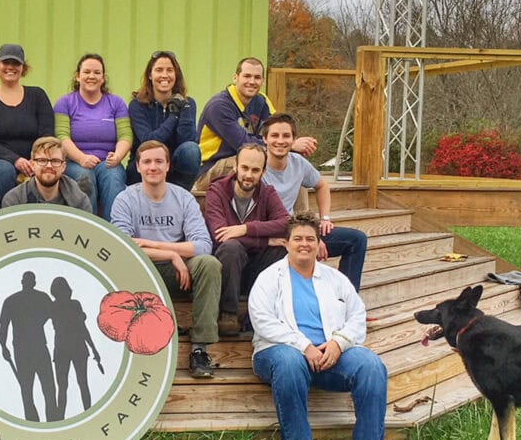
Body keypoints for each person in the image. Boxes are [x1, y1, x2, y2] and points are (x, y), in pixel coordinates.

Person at [249, 213, 387, 440]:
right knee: (290, 363)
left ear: (318, 243)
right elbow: (263, 322)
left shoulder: (335, 279)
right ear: (286, 243)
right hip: (278, 352)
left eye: (310, 239)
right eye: (297, 238)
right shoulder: (269, 278)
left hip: (328, 354)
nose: (304, 244)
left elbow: (357, 316)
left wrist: (339, 343)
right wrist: (304, 346)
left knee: (371, 365)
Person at [111, 140, 222, 378]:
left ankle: (200, 349)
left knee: (209, 265)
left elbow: (203, 245)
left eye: (159, 161)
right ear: (138, 167)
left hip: (176, 275)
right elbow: (123, 246)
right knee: (124, 265)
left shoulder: (183, 198)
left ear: (168, 165)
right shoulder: (125, 199)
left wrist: (156, 245)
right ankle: (136, 348)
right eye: (147, 162)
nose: (153, 167)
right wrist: (170, 254)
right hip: (141, 273)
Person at [261, 113, 368, 290]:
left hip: (296, 229)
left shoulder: (299, 163)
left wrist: (325, 218)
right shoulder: (259, 167)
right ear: (265, 139)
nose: (280, 141)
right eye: (274, 135)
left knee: (356, 240)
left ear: (294, 140)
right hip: (273, 236)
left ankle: (347, 301)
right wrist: (310, 238)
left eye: (286, 136)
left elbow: (322, 185)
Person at [204, 144, 289, 336]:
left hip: (255, 267)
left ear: (263, 172)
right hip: (227, 269)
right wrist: (265, 241)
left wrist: (245, 228)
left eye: (255, 170)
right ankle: (228, 314)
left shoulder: (267, 193)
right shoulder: (217, 191)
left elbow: (285, 223)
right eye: (245, 168)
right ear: (235, 166)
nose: (249, 175)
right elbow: (220, 235)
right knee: (231, 247)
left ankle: (258, 313)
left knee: (282, 249)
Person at [196, 57, 317, 186]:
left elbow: (278, 129)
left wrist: (292, 145)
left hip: (248, 159)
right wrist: (290, 145)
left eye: (257, 77)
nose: (252, 82)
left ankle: (294, 207)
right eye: (247, 76)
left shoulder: (262, 101)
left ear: (263, 81)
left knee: (294, 163)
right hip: (210, 169)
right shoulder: (219, 106)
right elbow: (243, 144)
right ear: (235, 78)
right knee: (253, 162)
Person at [54, 53, 132, 221]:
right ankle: (88, 230)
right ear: (78, 76)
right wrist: (81, 158)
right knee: (85, 178)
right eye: (87, 72)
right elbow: (61, 136)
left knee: (113, 177)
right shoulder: (65, 103)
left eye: (97, 73)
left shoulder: (116, 103)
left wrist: (118, 156)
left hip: (108, 162)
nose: (91, 76)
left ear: (103, 78)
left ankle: (116, 230)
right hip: (75, 162)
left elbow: (125, 135)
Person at [0, 43, 55, 201]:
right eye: (6, 63)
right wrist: (15, 160)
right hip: (0, 160)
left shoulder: (38, 95)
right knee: (4, 170)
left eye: (16, 63)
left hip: (36, 159)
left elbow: (47, 133)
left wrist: (37, 159)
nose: (10, 67)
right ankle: (0, 219)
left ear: (23, 68)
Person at [127, 51, 201, 191]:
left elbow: (188, 141)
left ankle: (180, 196)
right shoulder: (137, 105)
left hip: (174, 169)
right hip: (145, 168)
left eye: (170, 70)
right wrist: (173, 116)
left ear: (176, 75)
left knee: (191, 150)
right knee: (149, 156)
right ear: (150, 75)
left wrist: (183, 109)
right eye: (159, 70)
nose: (165, 75)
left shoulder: (187, 103)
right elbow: (149, 142)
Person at [0, 271, 60, 422]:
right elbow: (4, 327)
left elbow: (56, 316)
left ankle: (53, 422)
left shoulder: (39, 298)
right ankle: (33, 424)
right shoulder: (13, 301)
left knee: (47, 388)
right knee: (28, 389)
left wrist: (4, 346)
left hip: (36, 347)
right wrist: (3, 347)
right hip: (23, 349)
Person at [49, 276, 101, 419]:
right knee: (69, 385)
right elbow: (82, 327)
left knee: (76, 384)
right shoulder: (56, 307)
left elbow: (83, 328)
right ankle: (62, 418)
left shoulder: (70, 305)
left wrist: (94, 348)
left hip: (72, 348)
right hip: (67, 348)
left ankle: (86, 414)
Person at [0, 136, 92, 212]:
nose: (49, 166)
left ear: (63, 167)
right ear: (32, 164)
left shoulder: (79, 200)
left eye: (55, 161)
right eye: (42, 160)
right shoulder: (14, 200)